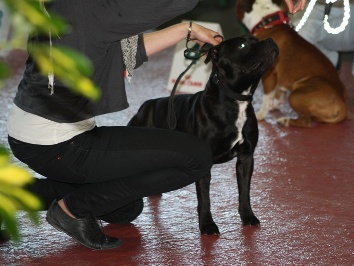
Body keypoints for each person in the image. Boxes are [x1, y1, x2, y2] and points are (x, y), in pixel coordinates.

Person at [6, 0, 223, 250]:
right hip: (58, 142)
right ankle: (72, 210)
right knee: (197, 157)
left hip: (32, 133)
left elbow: (121, 53)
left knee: (125, 208)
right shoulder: (83, 8)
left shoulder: (64, 7)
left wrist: (187, 30)